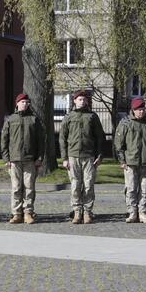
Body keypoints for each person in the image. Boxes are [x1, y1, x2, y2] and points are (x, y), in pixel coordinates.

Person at [59, 90, 105, 224]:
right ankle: (77, 212)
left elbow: (99, 137)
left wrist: (100, 155)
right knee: (75, 185)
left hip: (89, 156)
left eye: (84, 99)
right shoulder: (68, 117)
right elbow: (62, 138)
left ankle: (87, 212)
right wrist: (64, 158)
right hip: (73, 156)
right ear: (74, 100)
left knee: (89, 185)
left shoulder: (92, 116)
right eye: (80, 99)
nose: (83, 101)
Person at [1, 93, 45, 224]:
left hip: (30, 159)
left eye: (27, 102)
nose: (25, 104)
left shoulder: (34, 119)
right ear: (17, 104)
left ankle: (28, 213)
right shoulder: (10, 119)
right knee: (16, 187)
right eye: (23, 102)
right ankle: (16, 213)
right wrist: (6, 158)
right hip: (14, 159)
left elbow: (41, 141)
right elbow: (4, 140)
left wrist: (40, 158)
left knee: (29, 187)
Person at [114, 97, 146, 223]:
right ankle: (132, 212)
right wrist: (122, 161)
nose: (141, 112)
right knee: (131, 188)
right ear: (133, 110)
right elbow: (119, 144)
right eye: (138, 109)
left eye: (143, 109)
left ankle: (143, 212)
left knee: (145, 189)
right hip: (130, 162)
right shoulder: (125, 123)